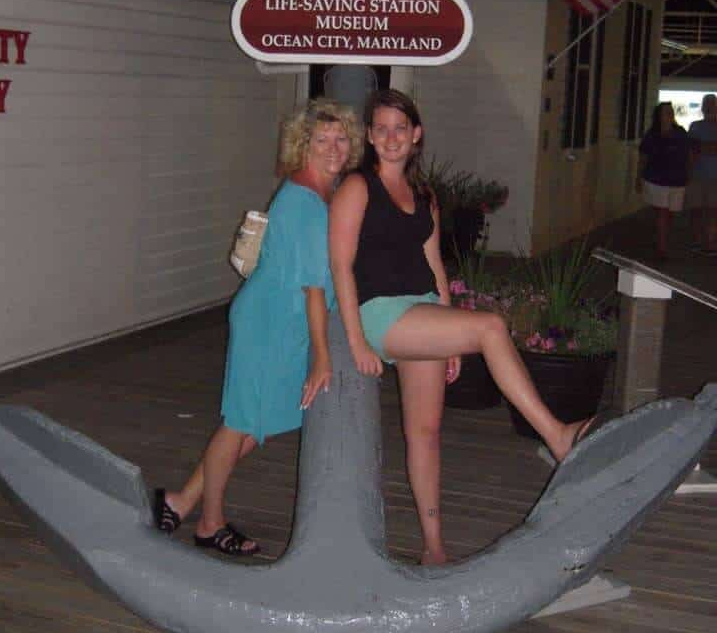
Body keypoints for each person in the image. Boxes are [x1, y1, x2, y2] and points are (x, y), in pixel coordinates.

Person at [329, 89, 593, 567]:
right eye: (381, 129)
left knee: (425, 434)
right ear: (369, 135)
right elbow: (341, 266)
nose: (391, 137)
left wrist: (449, 336)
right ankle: (556, 435)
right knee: (490, 327)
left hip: (424, 311)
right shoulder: (357, 188)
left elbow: (435, 267)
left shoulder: (424, 197)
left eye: (400, 128)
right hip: (381, 314)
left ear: (416, 134)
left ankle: (433, 547)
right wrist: (356, 340)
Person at [154, 99, 362, 554]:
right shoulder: (305, 201)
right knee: (241, 422)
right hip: (271, 323)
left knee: (254, 423)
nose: (333, 148)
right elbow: (312, 287)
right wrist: (322, 356)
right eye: (322, 139)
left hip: (285, 323)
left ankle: (181, 500)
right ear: (303, 146)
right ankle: (210, 524)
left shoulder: (323, 191)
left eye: (341, 138)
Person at [636, 102, 690, 260]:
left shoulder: (680, 133)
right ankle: (662, 247)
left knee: (671, 213)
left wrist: (688, 173)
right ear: (659, 115)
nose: (669, 114)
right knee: (662, 211)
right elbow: (643, 157)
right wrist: (638, 176)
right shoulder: (652, 134)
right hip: (656, 179)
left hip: (677, 179)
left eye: (671, 111)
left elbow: (688, 154)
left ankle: (661, 237)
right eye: (666, 112)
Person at [686, 93, 717, 255]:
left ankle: (711, 243)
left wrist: (701, 147)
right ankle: (697, 241)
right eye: (707, 104)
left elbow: (698, 148)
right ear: (703, 108)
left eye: (712, 104)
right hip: (696, 175)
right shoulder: (695, 126)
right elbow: (689, 149)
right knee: (695, 210)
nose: (709, 107)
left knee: (713, 211)